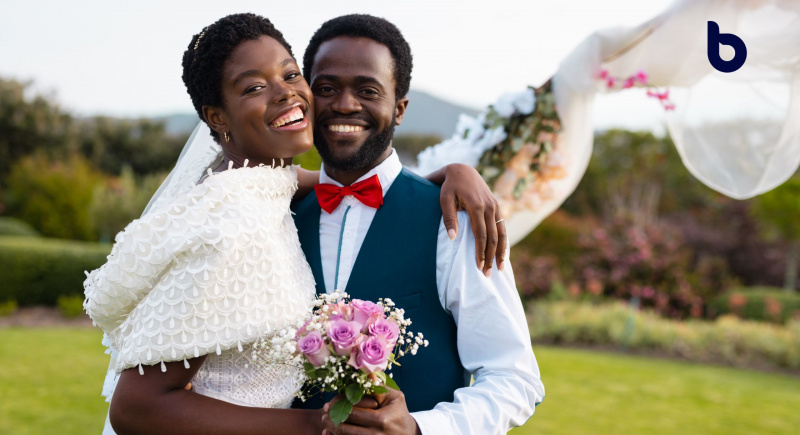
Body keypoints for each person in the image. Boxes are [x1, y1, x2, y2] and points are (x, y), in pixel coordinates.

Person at [83, 13, 505, 435]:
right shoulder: (227, 224)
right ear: (217, 117)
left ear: (399, 108)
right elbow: (136, 407)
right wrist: (316, 426)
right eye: (254, 87)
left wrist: (449, 173)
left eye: (289, 75)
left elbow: (512, 378)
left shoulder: (272, 190)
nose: (288, 95)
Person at [291, 14, 545, 435]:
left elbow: (514, 378)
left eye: (368, 90)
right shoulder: (282, 217)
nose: (345, 104)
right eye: (327, 88)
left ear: (399, 108)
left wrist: (420, 429)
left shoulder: (454, 220)